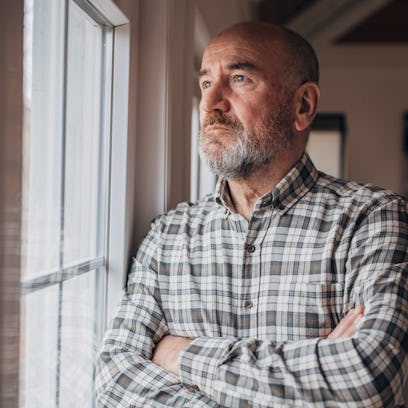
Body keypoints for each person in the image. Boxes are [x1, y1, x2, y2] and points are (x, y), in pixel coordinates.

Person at [95, 22, 408, 407]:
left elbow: (368, 378)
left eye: (240, 78)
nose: (211, 104)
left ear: (302, 106)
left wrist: (178, 354)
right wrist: (313, 375)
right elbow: (114, 379)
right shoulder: (168, 235)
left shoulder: (373, 218)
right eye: (206, 83)